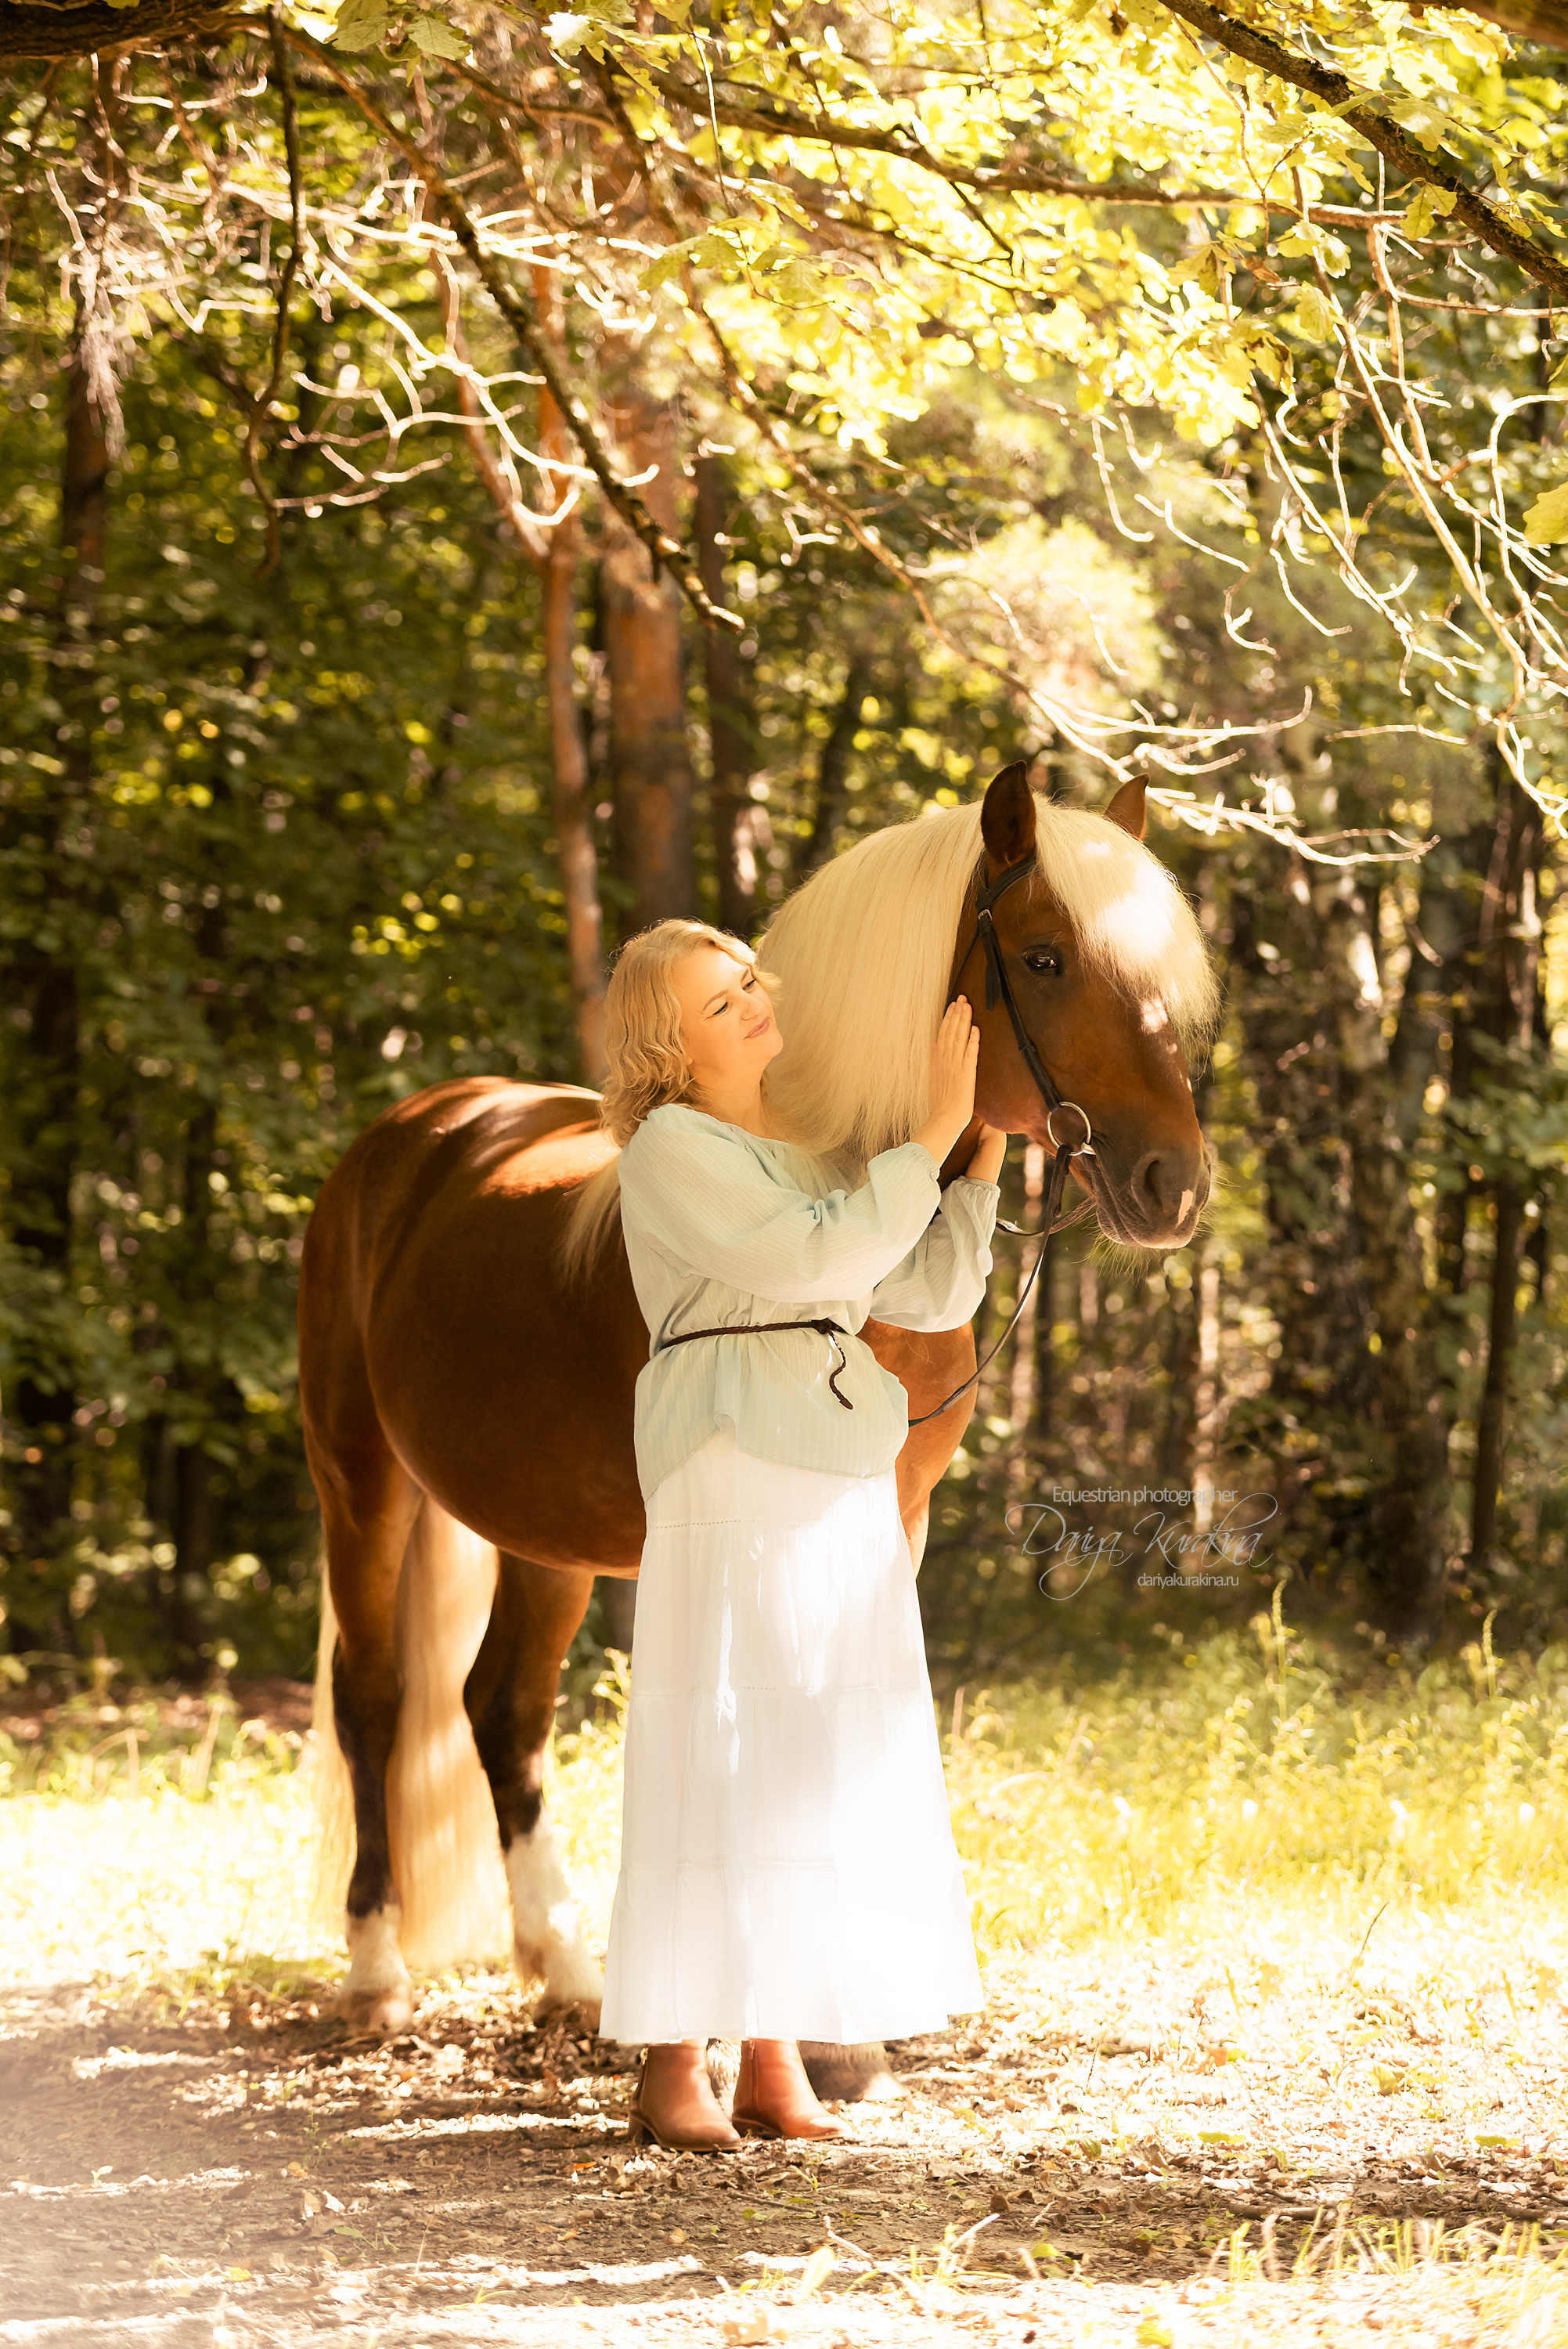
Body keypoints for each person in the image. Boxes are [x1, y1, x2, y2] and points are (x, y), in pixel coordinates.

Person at [594, 918, 1004, 2150]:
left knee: (808, 1743)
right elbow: (814, 1255)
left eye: (751, 984)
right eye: (724, 1005)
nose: (758, 1006)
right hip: (730, 1452)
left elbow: (924, 1287)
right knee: (718, 1731)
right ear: (673, 1043)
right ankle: (675, 2068)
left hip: (833, 1452)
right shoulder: (669, 1147)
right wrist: (927, 1133)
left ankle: (772, 2060)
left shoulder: (808, 1151)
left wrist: (975, 1164)